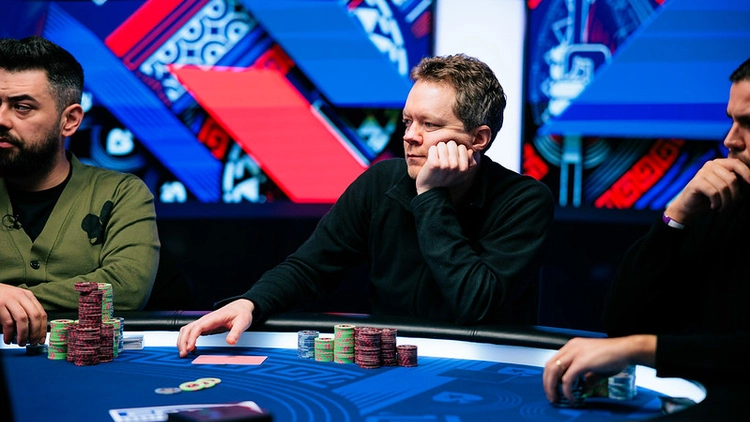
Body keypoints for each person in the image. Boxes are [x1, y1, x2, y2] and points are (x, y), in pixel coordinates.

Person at [177, 53, 555, 357]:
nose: (410, 137)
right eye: (407, 122)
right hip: (390, 365)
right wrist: (251, 303)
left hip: (487, 368)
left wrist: (431, 196)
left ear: (479, 138)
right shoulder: (381, 181)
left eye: (429, 125)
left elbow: (477, 305)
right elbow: (311, 267)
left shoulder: (525, 200)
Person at [543, 57, 750, 405]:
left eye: (748, 123)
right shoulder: (726, 203)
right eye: (731, 120)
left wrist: (638, 348)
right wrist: (676, 214)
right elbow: (623, 322)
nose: (731, 139)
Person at [0, 36, 161, 347]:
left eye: (21, 107)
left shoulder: (121, 192)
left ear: (70, 120)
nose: (1, 119)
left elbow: (127, 287)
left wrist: (10, 300)